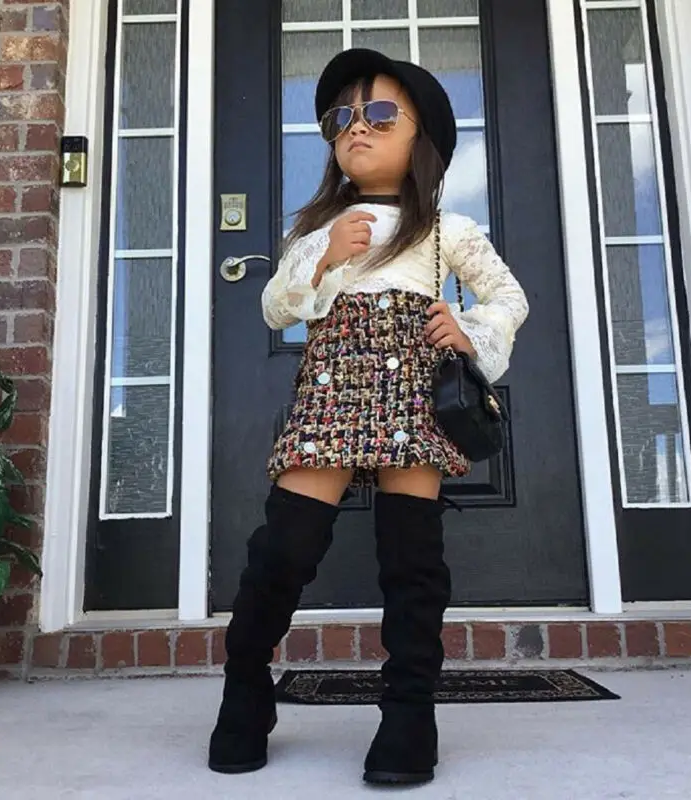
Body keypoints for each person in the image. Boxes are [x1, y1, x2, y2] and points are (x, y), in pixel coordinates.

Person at [208, 48, 529, 786]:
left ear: (421, 140)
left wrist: (467, 331)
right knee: (283, 548)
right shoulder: (322, 228)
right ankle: (244, 691)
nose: (357, 127)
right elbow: (276, 306)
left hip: (413, 392)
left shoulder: (447, 229)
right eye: (342, 117)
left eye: (381, 114)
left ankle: (410, 713)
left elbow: (508, 298)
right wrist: (323, 256)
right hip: (333, 390)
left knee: (412, 560)